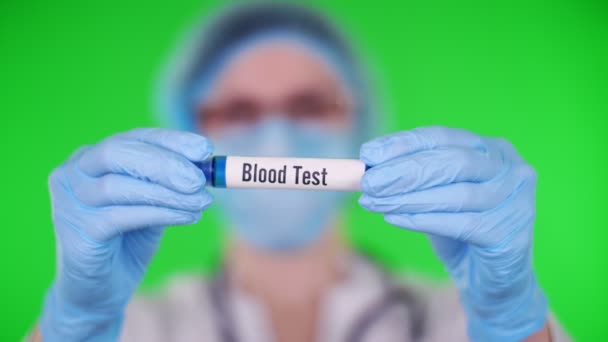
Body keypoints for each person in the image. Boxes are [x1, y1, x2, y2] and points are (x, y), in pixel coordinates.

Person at [30, 3, 570, 342]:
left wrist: (508, 322)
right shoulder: (144, 327)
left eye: (310, 104)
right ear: (189, 127)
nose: (276, 138)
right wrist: (76, 324)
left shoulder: (453, 319)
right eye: (238, 111)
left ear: (363, 122)